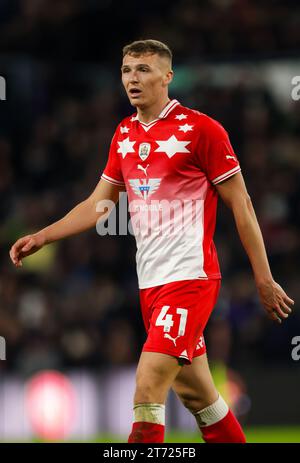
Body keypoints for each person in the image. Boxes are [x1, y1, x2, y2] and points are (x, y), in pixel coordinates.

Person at [9, 39, 294, 444]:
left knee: (147, 387)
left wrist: (263, 279)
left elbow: (242, 204)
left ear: (167, 76)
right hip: (151, 286)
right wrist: (43, 235)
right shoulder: (124, 134)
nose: (132, 79)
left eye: (143, 69)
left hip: (190, 279)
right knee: (200, 398)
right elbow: (98, 205)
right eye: (126, 70)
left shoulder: (202, 130)